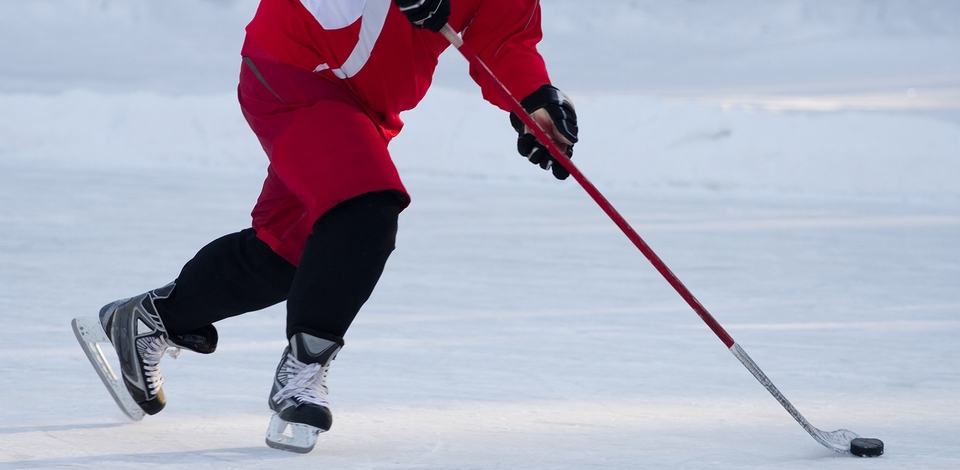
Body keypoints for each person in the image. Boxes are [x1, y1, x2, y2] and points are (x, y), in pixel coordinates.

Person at [95, 0, 578, 451]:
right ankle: (303, 372)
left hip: (359, 106)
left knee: (289, 254)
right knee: (364, 211)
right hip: (295, 68)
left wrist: (533, 99)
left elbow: (504, 40)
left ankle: (151, 319)